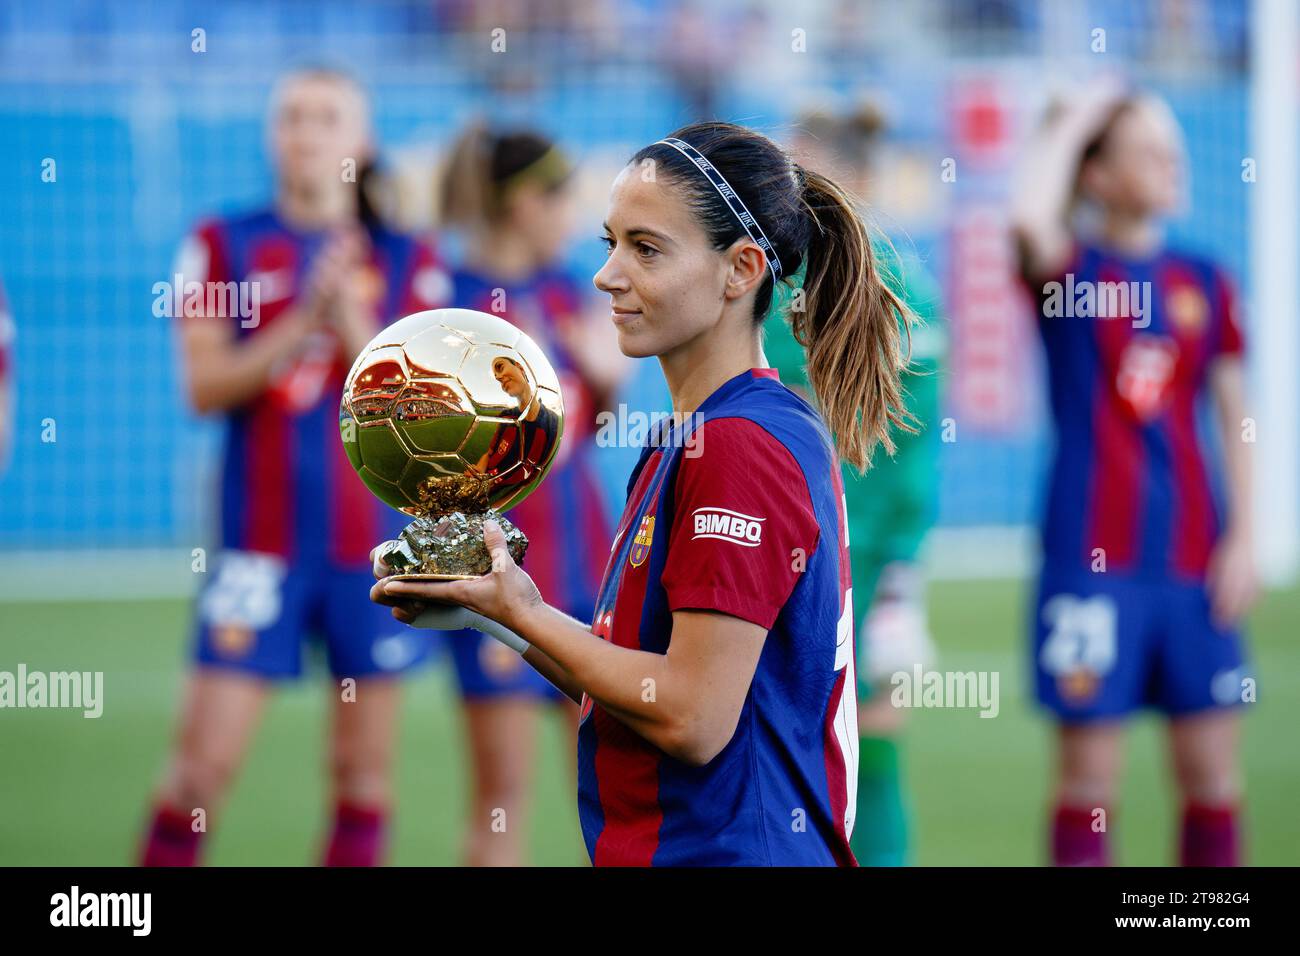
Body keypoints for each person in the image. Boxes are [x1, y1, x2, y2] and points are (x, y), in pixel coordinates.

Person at [374, 121, 913, 866]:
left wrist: (523, 611)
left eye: (647, 249)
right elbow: (642, 683)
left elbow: (691, 714)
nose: (608, 275)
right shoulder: (696, 435)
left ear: (742, 269)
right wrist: (494, 607)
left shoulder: (738, 446)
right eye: (610, 243)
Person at [140, 67, 449, 867]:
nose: (306, 134)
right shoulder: (222, 242)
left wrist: (348, 317)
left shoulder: (407, 255)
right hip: (259, 548)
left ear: (362, 142)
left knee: (362, 777)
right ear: (271, 134)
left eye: (326, 118)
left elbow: (417, 412)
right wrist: (299, 320)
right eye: (291, 118)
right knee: (198, 776)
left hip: (374, 556)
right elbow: (203, 388)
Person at [1011, 86, 1255, 866]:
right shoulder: (1071, 273)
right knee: (1088, 788)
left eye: (1173, 145)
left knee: (1212, 777)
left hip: (1193, 564)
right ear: (1099, 177)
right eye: (1148, 149)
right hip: (1091, 569)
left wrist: (1247, 535)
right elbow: (1025, 220)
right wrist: (1081, 114)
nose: (1173, 161)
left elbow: (1233, 419)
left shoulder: (1206, 281)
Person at [763, 101, 946, 866]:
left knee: (838, 746)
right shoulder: (905, 282)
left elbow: (900, 439)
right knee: (854, 747)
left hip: (829, 553)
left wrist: (898, 567)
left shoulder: (810, 288)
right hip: (851, 550)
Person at [437, 125, 619, 866]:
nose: (571, 217)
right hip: (498, 571)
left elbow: (594, 415)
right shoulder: (450, 307)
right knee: (501, 808)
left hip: (587, 567)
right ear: (521, 203)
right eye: (559, 199)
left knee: (617, 797)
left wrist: (576, 350)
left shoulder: (565, 292)